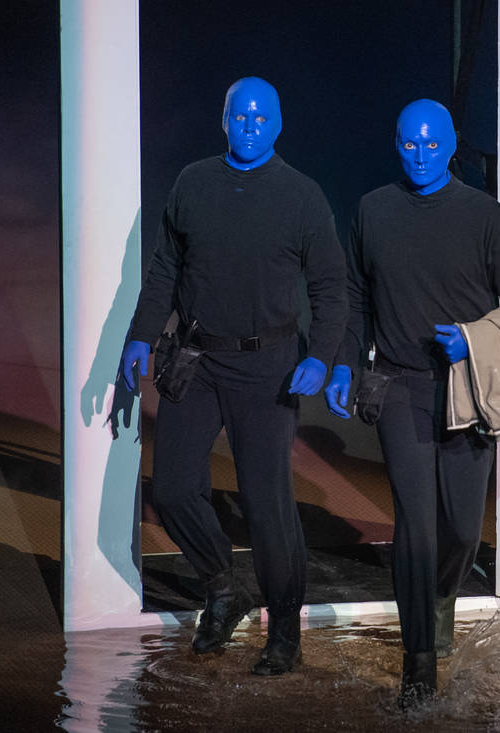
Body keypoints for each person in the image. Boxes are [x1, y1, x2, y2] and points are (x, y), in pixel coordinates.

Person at [119, 76, 347, 675]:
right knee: (170, 488)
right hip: (196, 360)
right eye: (238, 115)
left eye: (260, 116)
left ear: (277, 123)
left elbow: (329, 287)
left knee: (268, 504)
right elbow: (164, 270)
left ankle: (285, 629)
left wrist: (321, 356)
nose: (249, 125)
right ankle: (224, 587)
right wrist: (140, 335)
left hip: (267, 367)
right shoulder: (193, 183)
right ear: (224, 121)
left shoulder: (301, 196)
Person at [323, 99, 500, 708]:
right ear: (397, 143)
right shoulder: (373, 210)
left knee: (462, 528)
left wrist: (473, 337)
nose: (420, 156)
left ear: (451, 146)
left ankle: (442, 598)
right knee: (414, 525)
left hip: (466, 387)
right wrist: (345, 362)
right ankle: (418, 661)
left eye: (431, 144)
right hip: (397, 387)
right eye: (409, 144)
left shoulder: (484, 216)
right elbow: (355, 294)